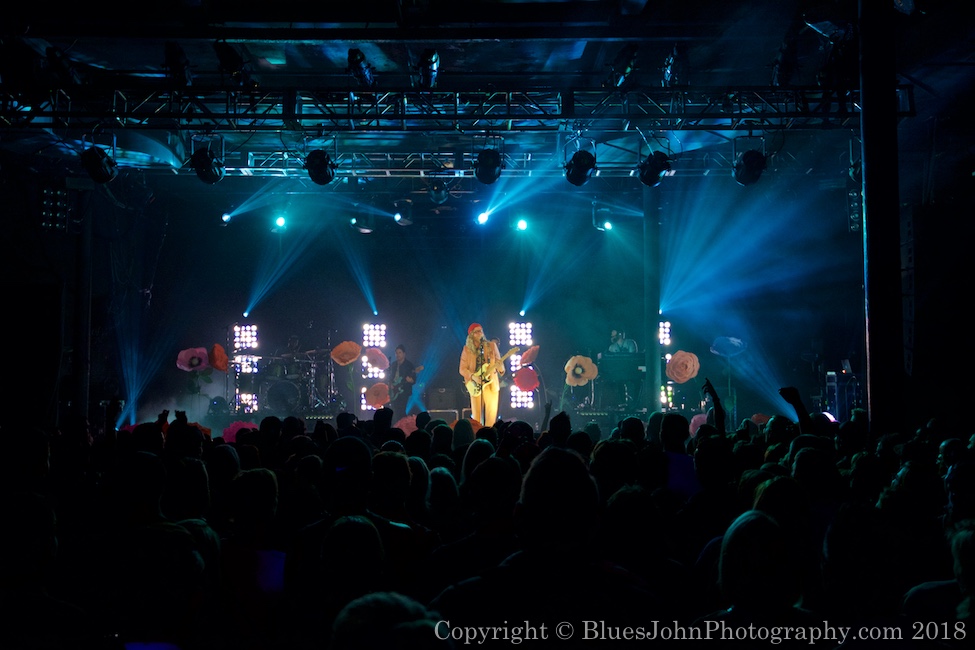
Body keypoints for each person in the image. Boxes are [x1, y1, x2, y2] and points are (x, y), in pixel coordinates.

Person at [459, 323, 505, 426]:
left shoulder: (491, 346)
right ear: (471, 335)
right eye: (477, 331)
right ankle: (477, 437)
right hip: (476, 384)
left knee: (491, 416)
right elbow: (462, 369)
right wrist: (473, 376)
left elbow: (500, 367)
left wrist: (500, 366)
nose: (480, 333)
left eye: (481, 331)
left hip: (491, 383)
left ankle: (490, 436)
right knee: (477, 418)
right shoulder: (467, 349)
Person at [387, 344, 421, 418]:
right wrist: (390, 384)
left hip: (404, 392)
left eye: (400, 353)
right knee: (394, 411)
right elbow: (389, 376)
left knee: (401, 411)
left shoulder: (409, 365)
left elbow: (413, 380)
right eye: (396, 353)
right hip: (393, 392)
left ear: (404, 354)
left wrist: (410, 380)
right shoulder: (393, 364)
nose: (398, 355)